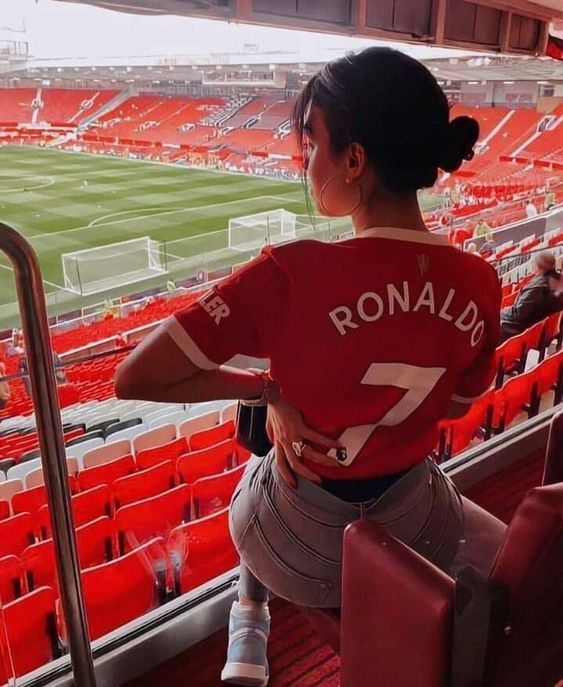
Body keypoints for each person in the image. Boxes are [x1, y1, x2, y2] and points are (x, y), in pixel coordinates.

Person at [114, 48, 501, 687]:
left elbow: (137, 377)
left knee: (260, 451)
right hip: (418, 525)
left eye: (311, 143)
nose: (304, 161)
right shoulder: (482, 281)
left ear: (354, 159)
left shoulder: (289, 274)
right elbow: (459, 404)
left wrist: (270, 392)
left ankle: (249, 611)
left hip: (303, 546)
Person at [500, 250, 562, 342]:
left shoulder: (537, 287)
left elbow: (518, 314)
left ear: (537, 267)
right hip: (545, 326)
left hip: (529, 330)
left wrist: (500, 313)